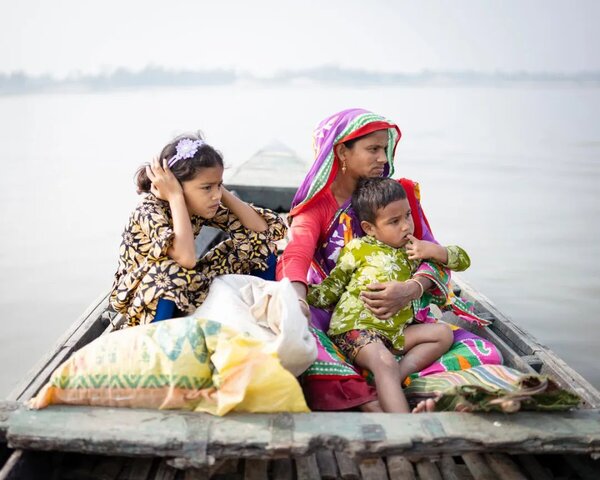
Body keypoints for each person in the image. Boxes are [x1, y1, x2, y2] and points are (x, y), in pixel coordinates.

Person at [276, 108, 501, 412]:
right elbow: (296, 255)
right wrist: (298, 301)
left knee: (486, 352)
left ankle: (382, 383)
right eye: (373, 149)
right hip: (344, 321)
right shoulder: (316, 209)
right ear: (342, 151)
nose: (383, 158)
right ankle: (383, 391)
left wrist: (410, 289)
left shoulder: (397, 197)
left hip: (400, 324)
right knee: (303, 335)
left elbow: (432, 255)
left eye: (385, 148)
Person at [307, 177, 474, 412]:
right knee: (384, 362)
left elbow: (463, 260)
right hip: (356, 329)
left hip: (395, 333)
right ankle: (404, 425)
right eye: (394, 221)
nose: (406, 226)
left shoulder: (416, 251)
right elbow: (332, 288)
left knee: (443, 333)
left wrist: (435, 250)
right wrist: (300, 293)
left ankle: (396, 377)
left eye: (407, 215)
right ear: (370, 228)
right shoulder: (359, 248)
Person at [110, 132, 287, 327]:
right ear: (175, 184)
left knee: (257, 246)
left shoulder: (199, 205)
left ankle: (261, 312)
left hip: (184, 283)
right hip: (144, 296)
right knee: (168, 271)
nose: (215, 195)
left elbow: (261, 229)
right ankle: (158, 337)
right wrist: (176, 196)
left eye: (218, 185)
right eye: (207, 188)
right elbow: (185, 259)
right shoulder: (149, 211)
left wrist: (219, 189)